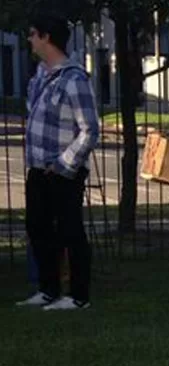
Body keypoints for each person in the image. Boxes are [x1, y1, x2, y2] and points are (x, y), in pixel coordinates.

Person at [16, 14, 99, 310]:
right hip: (38, 167)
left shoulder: (74, 79)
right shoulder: (41, 75)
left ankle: (78, 296)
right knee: (37, 227)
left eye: (33, 34)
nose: (29, 40)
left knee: (69, 230)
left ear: (46, 37)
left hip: (63, 171)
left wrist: (64, 164)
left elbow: (90, 129)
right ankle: (48, 289)